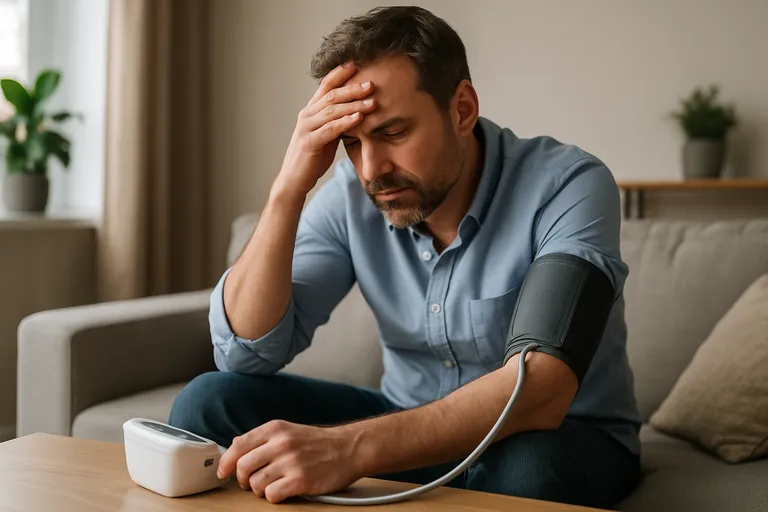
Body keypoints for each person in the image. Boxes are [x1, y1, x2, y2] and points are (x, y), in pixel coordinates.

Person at [169, 5, 642, 508]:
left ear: (462, 110)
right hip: (408, 428)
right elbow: (243, 355)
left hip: (560, 436)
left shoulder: (568, 185)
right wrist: (289, 187)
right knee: (208, 403)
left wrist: (349, 448)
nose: (371, 170)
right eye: (351, 142)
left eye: (393, 133)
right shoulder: (349, 195)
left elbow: (542, 388)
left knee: (527, 470)